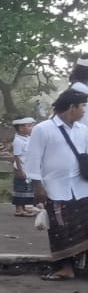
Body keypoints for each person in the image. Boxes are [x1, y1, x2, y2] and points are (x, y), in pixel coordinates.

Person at [25, 85, 88, 281]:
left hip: (81, 187)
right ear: (72, 107)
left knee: (85, 227)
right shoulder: (43, 129)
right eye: (82, 106)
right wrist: (38, 186)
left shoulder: (83, 130)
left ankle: (82, 266)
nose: (84, 111)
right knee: (60, 229)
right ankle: (65, 268)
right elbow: (33, 159)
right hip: (55, 188)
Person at [12, 117, 39, 217]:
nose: (31, 128)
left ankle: (23, 207)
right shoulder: (18, 141)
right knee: (20, 188)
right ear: (21, 128)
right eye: (29, 126)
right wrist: (20, 170)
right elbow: (17, 156)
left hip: (28, 167)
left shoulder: (28, 138)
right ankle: (18, 209)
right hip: (21, 167)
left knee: (26, 188)